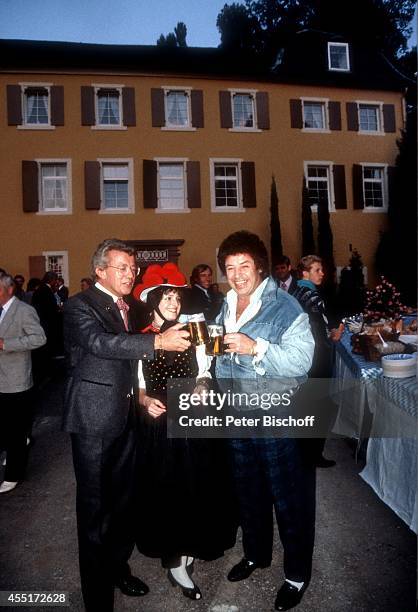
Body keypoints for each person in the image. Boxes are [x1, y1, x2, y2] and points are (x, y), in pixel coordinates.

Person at [62, 239, 190, 612]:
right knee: (94, 512)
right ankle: (97, 601)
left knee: (122, 505)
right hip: (93, 421)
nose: (129, 274)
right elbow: (100, 343)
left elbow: (134, 351)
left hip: (126, 416)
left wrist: (145, 393)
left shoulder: (131, 306)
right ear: (100, 271)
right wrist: (157, 343)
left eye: (132, 269)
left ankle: (117, 568)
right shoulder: (78, 306)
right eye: (122, 268)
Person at [215, 231, 315, 612]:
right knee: (248, 493)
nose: (237, 275)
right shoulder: (224, 304)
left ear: (259, 266)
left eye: (244, 266)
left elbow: (301, 363)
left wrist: (256, 346)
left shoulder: (287, 307)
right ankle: (257, 554)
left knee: (288, 498)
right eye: (230, 268)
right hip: (236, 413)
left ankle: (296, 575)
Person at [133, 263, 237, 601]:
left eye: (177, 298)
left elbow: (206, 368)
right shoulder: (141, 337)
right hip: (160, 421)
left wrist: (204, 385)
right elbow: (134, 384)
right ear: (153, 300)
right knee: (169, 487)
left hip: (194, 416)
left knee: (198, 483)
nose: (174, 303)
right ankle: (175, 559)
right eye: (167, 297)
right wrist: (144, 398)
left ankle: (192, 546)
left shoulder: (195, 332)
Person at [292, 255, 343, 468]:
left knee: (306, 406)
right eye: (317, 270)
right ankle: (313, 455)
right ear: (305, 273)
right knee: (319, 407)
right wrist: (334, 335)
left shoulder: (297, 292)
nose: (322, 273)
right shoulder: (311, 295)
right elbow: (318, 333)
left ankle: (304, 453)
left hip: (304, 359)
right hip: (316, 359)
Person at [0, 273, 46, 493]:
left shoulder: (24, 310)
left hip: (16, 381)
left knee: (16, 430)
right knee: (7, 428)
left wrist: (5, 344)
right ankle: (14, 449)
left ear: (9, 290)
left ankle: (13, 474)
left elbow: (39, 338)